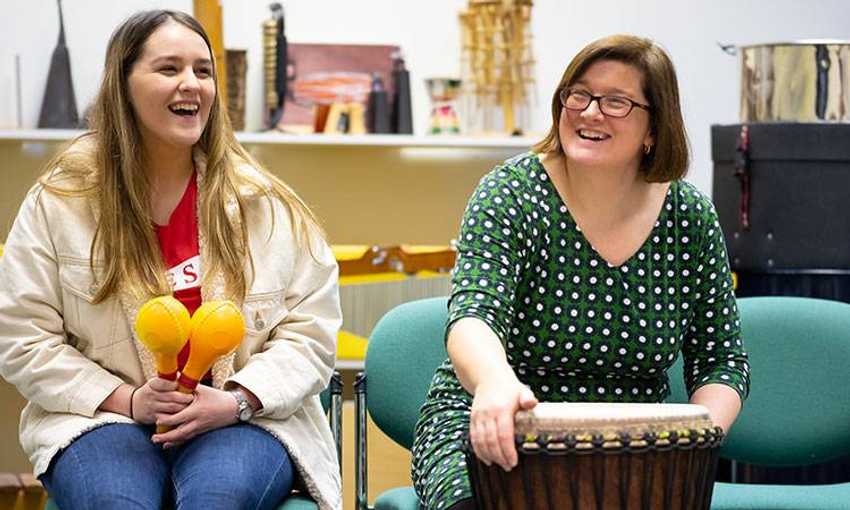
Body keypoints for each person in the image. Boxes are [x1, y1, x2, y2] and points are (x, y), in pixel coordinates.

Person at [0, 10, 341, 510]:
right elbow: (22, 336)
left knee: (214, 499)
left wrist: (235, 401)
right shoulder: (60, 200)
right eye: (169, 69)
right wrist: (129, 400)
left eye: (203, 71)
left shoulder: (264, 202)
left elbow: (310, 335)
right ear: (123, 85)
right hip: (102, 420)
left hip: (243, 421)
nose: (192, 85)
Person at [411, 34, 750, 510]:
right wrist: (494, 382)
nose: (590, 112)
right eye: (580, 94)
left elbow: (721, 361)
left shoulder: (689, 217)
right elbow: (473, 316)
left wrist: (692, 438)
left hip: (634, 446)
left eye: (617, 102)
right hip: (499, 428)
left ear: (655, 128)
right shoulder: (512, 193)